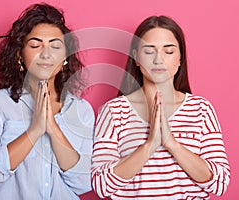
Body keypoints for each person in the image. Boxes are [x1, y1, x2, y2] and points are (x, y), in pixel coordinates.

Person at [91, 16, 230, 199]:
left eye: (169, 51)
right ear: (136, 58)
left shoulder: (201, 109)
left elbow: (220, 183)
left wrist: (171, 143)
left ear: (180, 58)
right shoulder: (114, 111)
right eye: (149, 51)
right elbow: (101, 186)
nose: (159, 59)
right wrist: (150, 145)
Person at [0, 3, 95, 200]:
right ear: (20, 55)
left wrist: (52, 128)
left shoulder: (81, 110)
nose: (45, 54)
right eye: (35, 45)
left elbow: (84, 183)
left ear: (64, 58)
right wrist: (34, 130)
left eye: (55, 46)